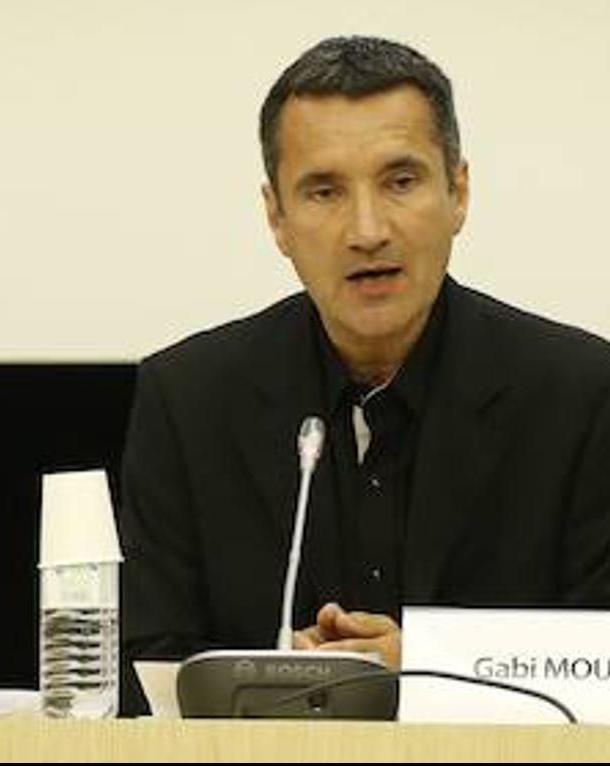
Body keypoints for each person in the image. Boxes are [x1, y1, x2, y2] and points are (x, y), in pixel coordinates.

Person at [119, 36, 610, 715]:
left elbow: (602, 661)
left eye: (401, 182)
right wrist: (272, 680)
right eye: (324, 191)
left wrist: (428, 672)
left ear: (459, 193)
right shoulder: (189, 401)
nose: (368, 229)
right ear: (277, 219)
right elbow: (142, 670)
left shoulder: (581, 396)